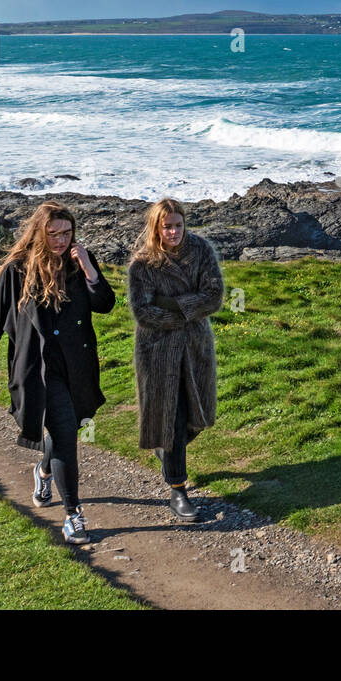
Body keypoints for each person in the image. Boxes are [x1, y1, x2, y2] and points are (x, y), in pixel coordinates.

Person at [0, 201, 115, 544]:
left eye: (67, 232)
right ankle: (73, 515)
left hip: (77, 367)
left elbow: (105, 304)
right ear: (39, 233)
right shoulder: (17, 271)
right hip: (37, 369)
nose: (61, 240)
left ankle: (43, 470)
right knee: (66, 439)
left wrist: (89, 267)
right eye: (53, 233)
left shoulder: (78, 265)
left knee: (66, 432)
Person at [127, 198, 224, 524]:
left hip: (196, 346)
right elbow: (143, 311)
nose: (174, 232)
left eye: (178, 225)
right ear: (156, 227)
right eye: (167, 226)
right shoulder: (142, 264)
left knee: (199, 414)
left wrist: (171, 304)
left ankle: (166, 451)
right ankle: (178, 489)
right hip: (157, 350)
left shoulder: (201, 250)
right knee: (171, 414)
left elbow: (214, 295)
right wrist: (184, 312)